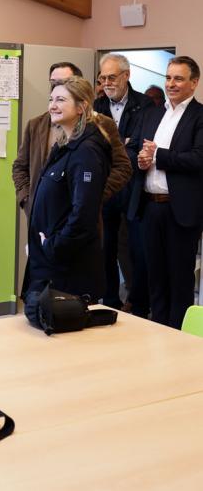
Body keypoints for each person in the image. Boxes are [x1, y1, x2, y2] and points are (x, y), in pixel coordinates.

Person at [24, 77, 112, 325]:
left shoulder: (87, 151)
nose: (52, 105)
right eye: (51, 99)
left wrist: (53, 246)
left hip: (68, 268)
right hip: (49, 263)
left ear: (81, 107)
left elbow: (83, 215)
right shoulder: (66, 145)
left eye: (61, 100)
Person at [128, 56, 203, 329]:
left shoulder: (199, 116)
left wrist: (158, 155)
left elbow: (198, 159)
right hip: (149, 207)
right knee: (154, 277)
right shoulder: (151, 113)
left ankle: (178, 339)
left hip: (180, 210)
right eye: (168, 77)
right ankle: (157, 331)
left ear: (194, 83)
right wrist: (141, 159)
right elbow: (135, 148)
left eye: (179, 78)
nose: (171, 84)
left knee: (179, 280)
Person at [12, 62, 131, 220]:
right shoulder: (36, 125)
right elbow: (20, 167)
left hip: (80, 216)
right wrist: (28, 200)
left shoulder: (101, 126)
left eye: (64, 82)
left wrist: (92, 195)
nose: (59, 87)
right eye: (54, 83)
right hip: (42, 214)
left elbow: (122, 167)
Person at [94, 54, 152, 314]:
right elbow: (93, 149)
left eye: (112, 77)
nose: (107, 83)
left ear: (126, 75)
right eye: (103, 78)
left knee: (136, 248)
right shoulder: (95, 107)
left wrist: (118, 147)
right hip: (104, 188)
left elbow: (140, 147)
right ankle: (109, 300)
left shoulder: (146, 105)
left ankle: (138, 303)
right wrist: (123, 143)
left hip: (133, 188)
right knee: (104, 247)